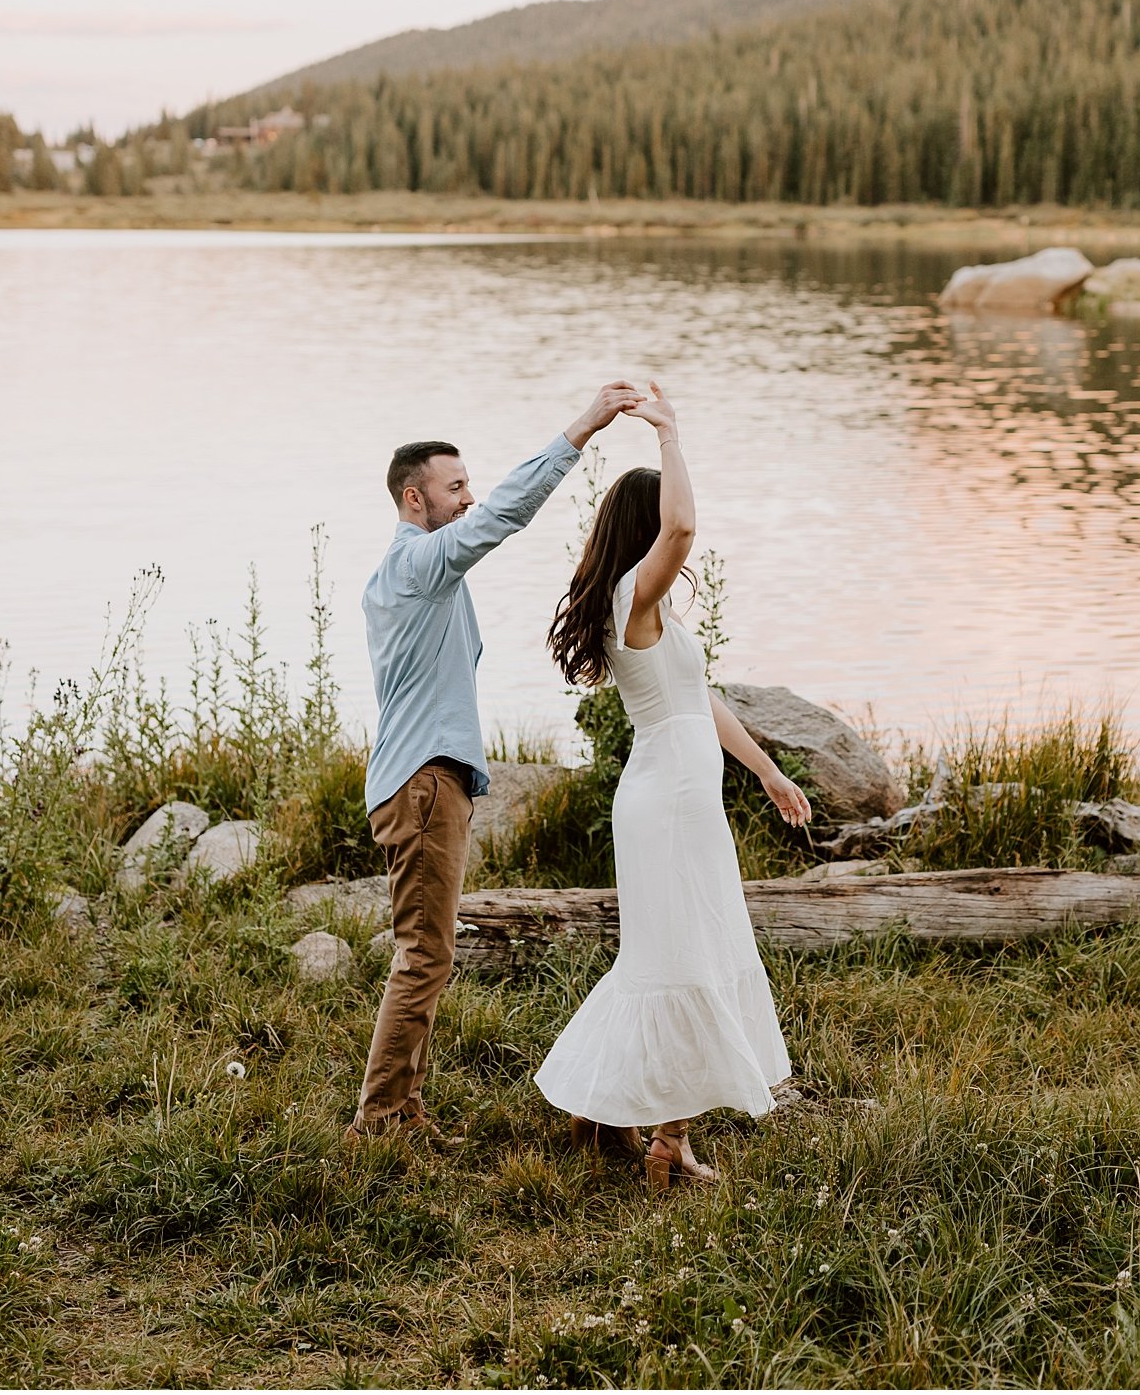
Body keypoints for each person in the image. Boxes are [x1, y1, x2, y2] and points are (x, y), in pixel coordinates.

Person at [346, 383, 644, 1147]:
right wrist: (579, 431)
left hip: (425, 780)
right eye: (456, 488)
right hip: (422, 782)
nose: (470, 499)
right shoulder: (417, 564)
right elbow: (509, 512)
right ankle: (379, 1120)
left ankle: (404, 1108)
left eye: (468, 485)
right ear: (416, 499)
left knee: (431, 953)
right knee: (423, 955)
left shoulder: (420, 576)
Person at [532, 382, 812, 1188]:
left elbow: (701, 699)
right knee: (690, 959)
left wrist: (766, 770)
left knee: (671, 956)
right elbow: (686, 526)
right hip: (671, 803)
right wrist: (671, 434)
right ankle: (667, 1142)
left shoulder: (648, 612)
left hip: (680, 797)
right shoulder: (634, 596)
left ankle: (601, 1110)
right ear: (645, 532)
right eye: (659, 527)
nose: (673, 536)